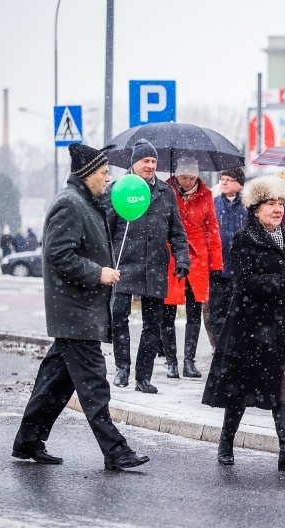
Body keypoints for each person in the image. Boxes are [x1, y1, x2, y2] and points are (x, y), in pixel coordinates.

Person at [12, 143, 149, 471]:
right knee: (94, 383)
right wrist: (97, 273)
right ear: (87, 175)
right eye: (103, 174)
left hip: (80, 310)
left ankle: (29, 440)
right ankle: (115, 450)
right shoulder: (69, 204)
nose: (107, 179)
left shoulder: (87, 202)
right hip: (74, 310)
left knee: (54, 383)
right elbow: (57, 253)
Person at [202, 175, 285, 472]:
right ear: (255, 208)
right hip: (249, 327)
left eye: (280, 203)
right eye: (270, 204)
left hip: (281, 328)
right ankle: (226, 444)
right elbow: (244, 282)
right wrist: (282, 281)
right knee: (238, 391)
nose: (277, 209)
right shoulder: (243, 239)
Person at [109, 139, 189, 394]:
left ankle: (143, 377)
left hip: (155, 266)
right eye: (146, 161)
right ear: (134, 162)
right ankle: (122, 367)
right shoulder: (118, 189)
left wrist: (182, 259)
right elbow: (105, 230)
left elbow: (177, 232)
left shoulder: (166, 193)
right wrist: (106, 262)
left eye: (154, 161)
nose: (151, 166)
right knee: (118, 315)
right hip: (124, 264)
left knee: (152, 325)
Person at [161, 156, 223, 379]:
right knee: (167, 313)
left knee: (194, 313)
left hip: (198, 259)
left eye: (191, 177)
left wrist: (216, 264)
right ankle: (171, 362)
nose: (187, 182)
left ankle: (189, 360)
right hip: (171, 257)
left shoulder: (206, 196)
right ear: (177, 175)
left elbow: (212, 230)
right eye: (183, 177)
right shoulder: (165, 191)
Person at [210, 166, 249, 344]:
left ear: (240, 185)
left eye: (229, 179)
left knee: (240, 311)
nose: (224, 182)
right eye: (222, 178)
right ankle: (219, 347)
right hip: (217, 268)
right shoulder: (213, 204)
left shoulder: (249, 206)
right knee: (217, 311)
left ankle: (237, 346)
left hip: (241, 270)